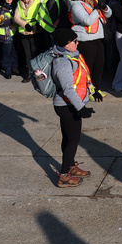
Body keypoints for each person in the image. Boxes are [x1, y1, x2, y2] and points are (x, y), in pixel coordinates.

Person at [50, 28, 99, 187]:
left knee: (68, 137)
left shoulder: (73, 56)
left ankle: (70, 166)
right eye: (74, 41)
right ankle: (63, 175)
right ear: (65, 44)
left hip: (70, 104)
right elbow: (68, 90)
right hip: (66, 105)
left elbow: (83, 77)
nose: (77, 43)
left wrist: (94, 91)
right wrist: (81, 108)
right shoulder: (63, 62)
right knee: (73, 140)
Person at [70, 0, 111, 94]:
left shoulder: (94, 1)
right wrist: (98, 9)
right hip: (86, 40)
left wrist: (104, 7)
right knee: (88, 67)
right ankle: (87, 91)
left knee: (99, 65)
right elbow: (87, 20)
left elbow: (109, 14)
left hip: (98, 38)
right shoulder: (77, 5)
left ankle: (97, 89)